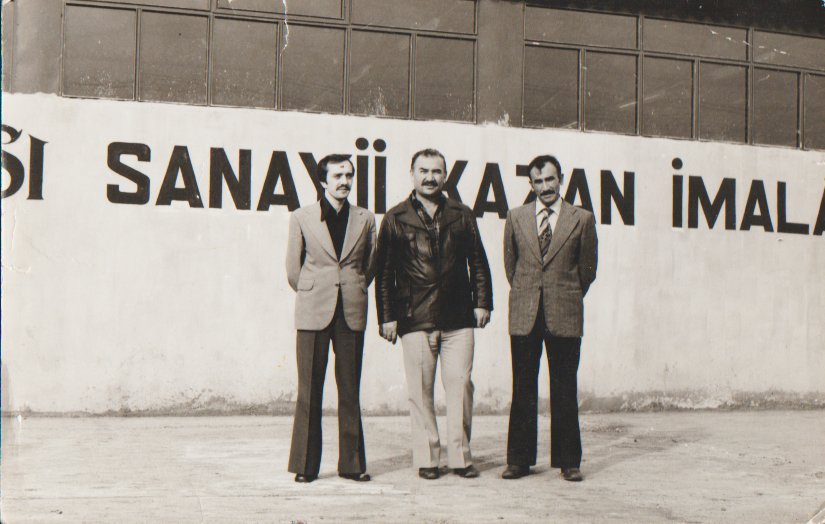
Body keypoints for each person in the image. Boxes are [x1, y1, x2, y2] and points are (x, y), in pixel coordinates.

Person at [375, 148, 493, 480]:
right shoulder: (395, 217)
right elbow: (384, 274)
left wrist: (482, 302)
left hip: (459, 317)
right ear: (412, 174)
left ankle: (460, 458)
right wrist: (387, 316)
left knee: (461, 386)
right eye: (423, 171)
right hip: (415, 317)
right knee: (420, 391)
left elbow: (478, 262)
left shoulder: (462, 214)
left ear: (445, 175)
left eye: (436, 171)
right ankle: (427, 458)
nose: (430, 177)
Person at [501, 154, 598, 482]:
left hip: (564, 313)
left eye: (550, 179)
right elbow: (511, 267)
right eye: (538, 181)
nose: (545, 187)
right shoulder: (516, 217)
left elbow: (587, 270)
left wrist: (565, 294)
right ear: (531, 184)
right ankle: (519, 460)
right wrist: (531, 293)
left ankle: (569, 461)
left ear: (561, 179)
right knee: (522, 387)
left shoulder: (581, 219)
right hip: (525, 313)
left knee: (565, 388)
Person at [285, 154, 376, 483]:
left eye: (349, 175)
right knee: (309, 390)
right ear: (323, 181)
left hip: (351, 310)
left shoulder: (365, 218)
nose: (345, 182)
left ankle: (352, 465)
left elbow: (370, 264)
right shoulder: (301, 217)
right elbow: (293, 271)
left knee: (350, 389)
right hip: (313, 311)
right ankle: (305, 466)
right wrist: (315, 290)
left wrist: (352, 287)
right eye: (337, 176)